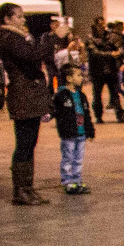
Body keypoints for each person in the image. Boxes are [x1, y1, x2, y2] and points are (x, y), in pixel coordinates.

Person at [0, 3, 70, 205]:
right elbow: (34, 55)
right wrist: (54, 37)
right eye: (18, 17)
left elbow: (35, 53)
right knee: (25, 143)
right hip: (23, 95)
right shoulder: (9, 38)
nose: (23, 20)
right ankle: (21, 190)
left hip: (29, 94)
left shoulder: (16, 37)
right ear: (7, 19)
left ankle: (27, 188)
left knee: (29, 143)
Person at [52, 62, 95, 195]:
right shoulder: (61, 95)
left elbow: (86, 114)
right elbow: (55, 111)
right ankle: (68, 181)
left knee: (78, 158)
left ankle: (77, 179)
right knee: (68, 157)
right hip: (68, 133)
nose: (81, 78)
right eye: (78, 75)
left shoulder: (81, 96)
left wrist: (90, 130)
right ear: (69, 78)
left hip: (80, 133)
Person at [89, 21, 124, 122]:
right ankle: (98, 116)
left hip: (111, 70)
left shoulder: (110, 37)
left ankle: (119, 115)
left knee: (115, 94)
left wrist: (118, 53)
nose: (101, 28)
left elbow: (120, 49)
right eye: (99, 26)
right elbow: (95, 53)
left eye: (102, 25)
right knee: (97, 96)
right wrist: (111, 54)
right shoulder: (90, 39)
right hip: (97, 72)